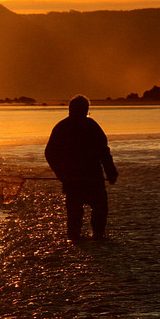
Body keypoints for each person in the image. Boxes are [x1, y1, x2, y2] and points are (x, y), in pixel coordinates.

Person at [45, 95, 118, 241]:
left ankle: (86, 236)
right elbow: (104, 152)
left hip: (83, 176)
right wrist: (61, 174)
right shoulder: (78, 126)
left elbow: (103, 151)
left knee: (92, 209)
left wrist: (110, 171)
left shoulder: (65, 126)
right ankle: (87, 236)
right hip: (78, 177)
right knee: (84, 209)